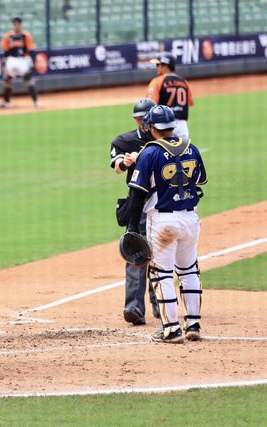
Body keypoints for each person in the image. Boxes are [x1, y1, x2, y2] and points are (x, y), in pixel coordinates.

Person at [127, 105, 208, 344]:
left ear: (152, 127)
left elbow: (137, 194)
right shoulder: (191, 147)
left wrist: (132, 227)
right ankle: (193, 324)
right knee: (189, 270)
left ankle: (171, 329)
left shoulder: (149, 152)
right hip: (190, 219)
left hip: (163, 222)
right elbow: (200, 179)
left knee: (161, 274)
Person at [110, 98, 160, 326]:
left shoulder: (166, 139)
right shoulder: (124, 141)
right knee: (136, 252)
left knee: (161, 255)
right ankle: (134, 307)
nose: (142, 123)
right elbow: (117, 166)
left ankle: (160, 302)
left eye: (145, 118)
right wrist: (127, 162)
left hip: (163, 203)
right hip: (138, 203)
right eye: (139, 119)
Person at [146, 52, 194, 141]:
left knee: (162, 150)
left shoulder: (157, 81)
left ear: (165, 66)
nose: (156, 67)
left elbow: (150, 104)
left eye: (158, 65)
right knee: (183, 149)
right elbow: (189, 103)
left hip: (164, 126)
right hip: (182, 126)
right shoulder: (184, 82)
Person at [0, 17, 39, 108]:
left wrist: (33, 63)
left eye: (17, 24)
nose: (16, 26)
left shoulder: (26, 35)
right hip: (11, 59)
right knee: (7, 81)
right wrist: (4, 65)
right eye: (14, 24)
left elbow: (31, 50)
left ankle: (36, 102)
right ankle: (6, 102)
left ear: (20, 25)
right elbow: (5, 52)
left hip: (23, 60)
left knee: (29, 81)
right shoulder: (8, 36)